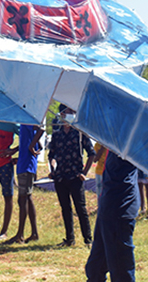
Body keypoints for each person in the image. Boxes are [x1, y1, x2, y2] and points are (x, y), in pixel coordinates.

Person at [85, 153, 139, 282]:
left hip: (119, 207)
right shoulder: (116, 140)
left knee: (121, 271)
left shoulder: (126, 142)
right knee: (95, 267)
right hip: (108, 207)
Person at [47, 105, 95, 247]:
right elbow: (51, 155)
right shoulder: (56, 134)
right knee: (65, 208)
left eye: (73, 112)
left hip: (75, 176)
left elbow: (91, 153)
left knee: (81, 208)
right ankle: (69, 239)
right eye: (69, 112)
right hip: (60, 177)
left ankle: (88, 240)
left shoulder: (80, 133)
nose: (72, 114)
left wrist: (84, 173)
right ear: (62, 114)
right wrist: (53, 169)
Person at [6, 124, 44, 244]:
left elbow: (41, 129)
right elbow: (40, 145)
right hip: (25, 163)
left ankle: (20, 234)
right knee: (27, 198)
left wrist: (31, 147)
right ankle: (33, 233)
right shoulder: (25, 123)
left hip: (26, 166)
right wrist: (21, 152)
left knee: (23, 199)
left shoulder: (28, 121)